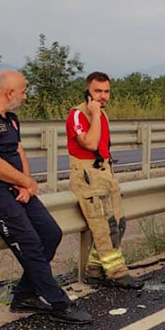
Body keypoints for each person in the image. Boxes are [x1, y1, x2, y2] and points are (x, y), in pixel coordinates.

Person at [0, 70, 92, 325]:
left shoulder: (11, 118)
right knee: (29, 242)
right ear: (10, 93)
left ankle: (25, 295)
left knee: (50, 233)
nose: (25, 96)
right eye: (23, 91)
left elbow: (18, 152)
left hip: (14, 186)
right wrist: (24, 181)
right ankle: (57, 302)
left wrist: (27, 184)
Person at [67, 72, 142, 289]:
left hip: (105, 172)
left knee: (118, 223)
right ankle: (117, 273)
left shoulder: (101, 114)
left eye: (106, 91)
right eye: (97, 91)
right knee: (104, 227)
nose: (102, 96)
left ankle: (95, 270)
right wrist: (95, 114)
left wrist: (98, 114)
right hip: (87, 175)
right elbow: (89, 143)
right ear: (87, 92)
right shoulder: (78, 114)